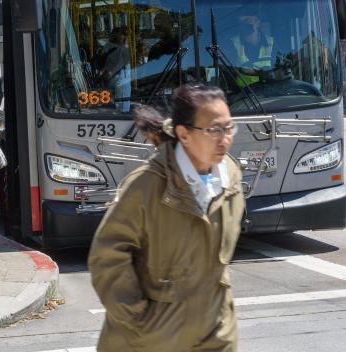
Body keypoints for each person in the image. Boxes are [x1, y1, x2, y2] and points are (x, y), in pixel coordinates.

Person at [88, 84, 245, 352]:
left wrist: (223, 321)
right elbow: (107, 256)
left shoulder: (230, 176)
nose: (225, 139)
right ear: (184, 134)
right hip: (150, 342)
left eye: (228, 128)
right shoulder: (146, 186)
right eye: (214, 130)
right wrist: (139, 323)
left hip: (215, 334)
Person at [104, 28, 131, 112]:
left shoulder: (106, 47)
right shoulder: (121, 49)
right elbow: (126, 61)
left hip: (110, 76)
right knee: (123, 106)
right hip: (120, 77)